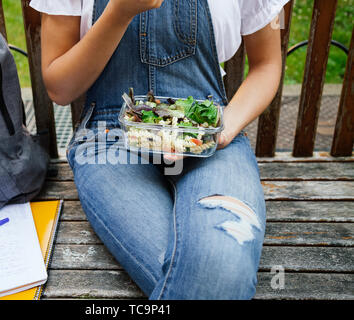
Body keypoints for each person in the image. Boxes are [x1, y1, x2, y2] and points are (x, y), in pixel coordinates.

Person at [32, 0, 287, 299]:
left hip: (207, 135)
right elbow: (60, 88)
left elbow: (266, 64)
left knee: (219, 265)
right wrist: (119, 13)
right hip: (113, 139)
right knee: (213, 281)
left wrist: (218, 129)